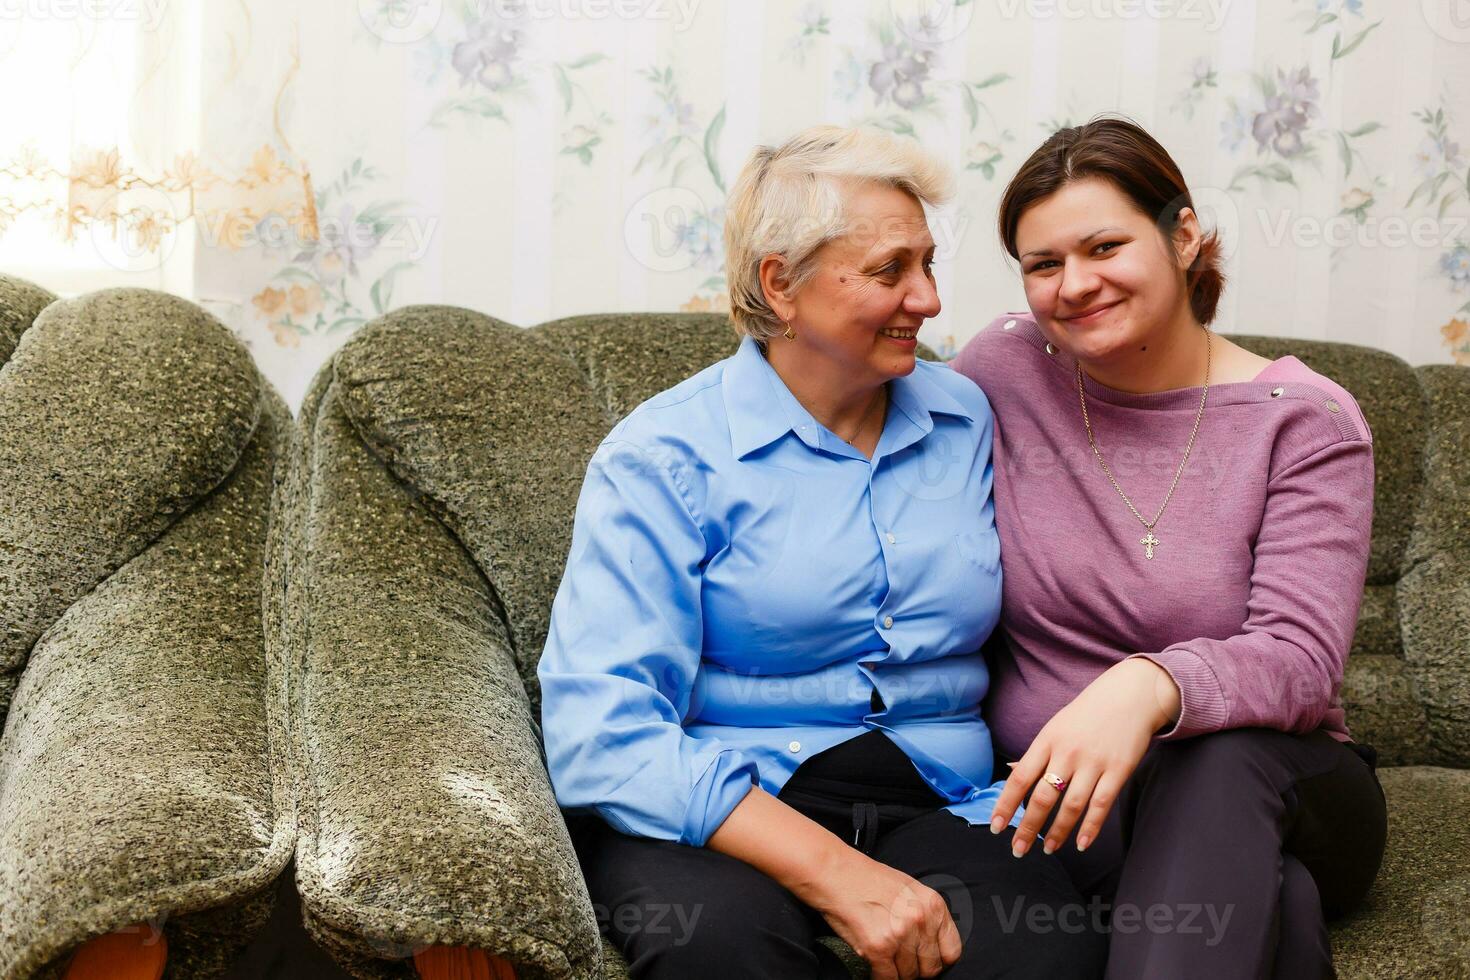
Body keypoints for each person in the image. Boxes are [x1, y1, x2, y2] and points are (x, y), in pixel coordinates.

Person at [537, 125, 1106, 980]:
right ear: (782, 283)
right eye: (889, 272)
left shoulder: (969, 421)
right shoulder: (663, 458)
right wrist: (840, 874)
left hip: (945, 802)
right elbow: (599, 732)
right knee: (718, 949)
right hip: (727, 809)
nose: (928, 300)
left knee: (1042, 952)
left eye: (929, 265)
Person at [951, 115, 1387, 979]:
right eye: (1044, 264)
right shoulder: (1005, 370)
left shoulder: (1307, 422)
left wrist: (1150, 686)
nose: (1075, 284)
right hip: (1082, 810)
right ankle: (1271, 901)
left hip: (1283, 782)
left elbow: (1300, 662)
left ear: (1183, 235)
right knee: (1280, 900)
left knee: (1214, 756)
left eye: (1105, 246)